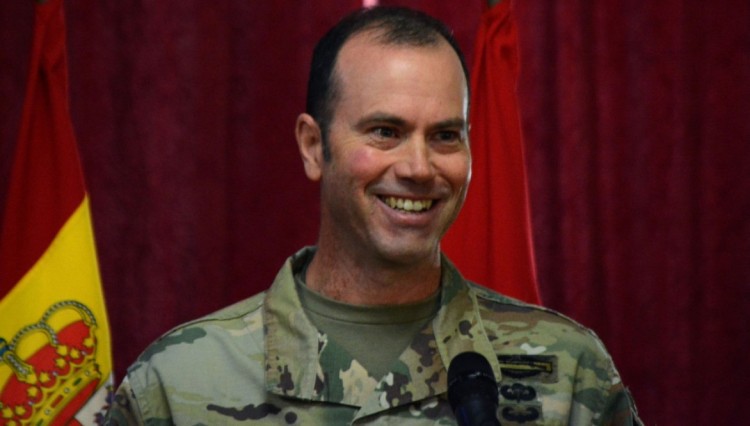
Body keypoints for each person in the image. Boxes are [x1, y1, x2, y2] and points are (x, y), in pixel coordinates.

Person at [106, 6, 642, 425]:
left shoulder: (569, 373)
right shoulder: (179, 382)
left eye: (445, 136)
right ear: (313, 147)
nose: (419, 167)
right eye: (385, 132)